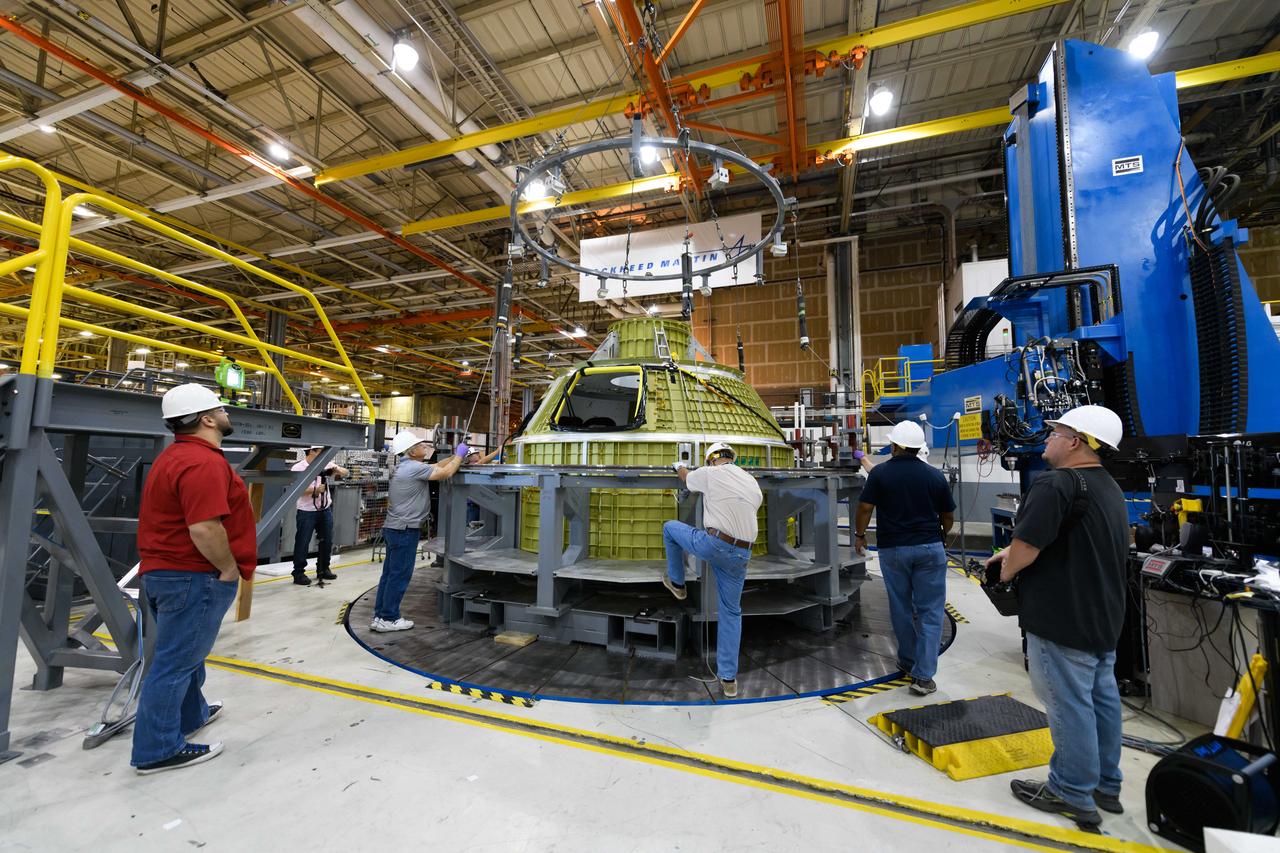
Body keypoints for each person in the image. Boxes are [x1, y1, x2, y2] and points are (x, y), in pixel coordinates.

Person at [985, 405, 1128, 830]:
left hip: (1062, 616)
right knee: (1101, 700)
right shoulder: (1107, 486)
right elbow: (1069, 539)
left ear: (1076, 441)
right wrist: (1010, 552)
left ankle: (1070, 790)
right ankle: (1106, 784)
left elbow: (1027, 547)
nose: (1047, 439)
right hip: (1102, 616)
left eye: (1056, 432)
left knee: (1068, 706)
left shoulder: (1056, 484)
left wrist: (1006, 571)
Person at [132, 384, 256, 774]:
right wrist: (227, 567)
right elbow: (204, 527)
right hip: (192, 576)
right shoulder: (203, 463)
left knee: (186, 657)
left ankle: (192, 714)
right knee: (174, 664)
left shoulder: (176, 457)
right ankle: (157, 749)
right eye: (221, 409)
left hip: (167, 573)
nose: (227, 415)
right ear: (206, 419)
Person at [854, 420, 955, 695]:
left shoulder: (881, 474)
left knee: (900, 607)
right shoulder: (935, 476)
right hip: (930, 549)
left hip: (893, 549)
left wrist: (859, 534)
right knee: (930, 611)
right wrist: (942, 534)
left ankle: (908, 662)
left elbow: (865, 507)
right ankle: (924, 676)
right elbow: (948, 517)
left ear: (895, 445)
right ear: (918, 447)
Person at [660, 442, 763, 699]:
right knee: (731, 611)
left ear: (711, 460)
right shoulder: (751, 481)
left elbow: (687, 479)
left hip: (714, 544)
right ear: (731, 458)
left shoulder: (710, 473)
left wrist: (679, 466)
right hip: (742, 553)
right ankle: (729, 680)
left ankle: (678, 584)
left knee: (670, 528)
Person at [371, 430, 466, 632]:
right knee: (399, 575)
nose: (426, 447)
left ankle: (380, 616)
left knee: (389, 575)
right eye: (422, 445)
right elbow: (446, 473)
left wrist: (455, 456)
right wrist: (458, 456)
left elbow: (435, 466)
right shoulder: (413, 468)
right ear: (412, 451)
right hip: (405, 530)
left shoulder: (405, 466)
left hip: (394, 528)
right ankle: (389, 618)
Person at [291, 446, 349, 586]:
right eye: (320, 451)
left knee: (327, 540)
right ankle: (298, 573)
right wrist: (314, 490)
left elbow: (346, 472)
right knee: (303, 542)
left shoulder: (325, 464)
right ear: (311, 451)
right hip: (307, 511)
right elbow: (296, 489)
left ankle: (323, 569)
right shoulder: (298, 468)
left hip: (325, 509)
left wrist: (338, 470)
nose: (323, 454)